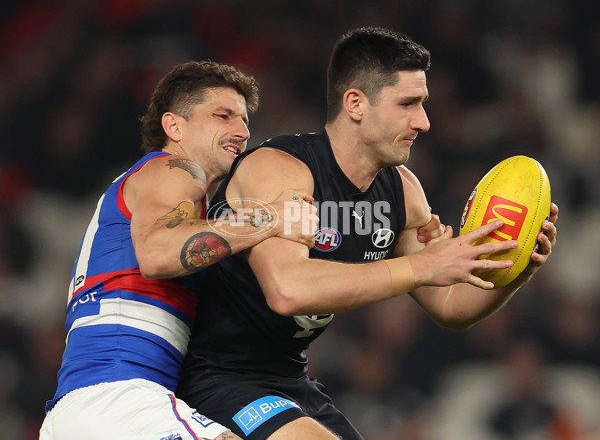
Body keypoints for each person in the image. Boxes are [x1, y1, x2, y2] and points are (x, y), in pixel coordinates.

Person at [177, 27, 559, 440]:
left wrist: (516, 267)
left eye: (423, 105)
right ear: (356, 103)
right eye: (408, 104)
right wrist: (423, 264)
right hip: (212, 376)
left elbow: (450, 307)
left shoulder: (402, 191)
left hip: (288, 380)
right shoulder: (280, 169)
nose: (424, 122)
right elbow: (288, 290)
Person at [40, 61, 322, 440]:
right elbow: (157, 253)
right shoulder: (172, 170)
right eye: (223, 116)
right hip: (121, 398)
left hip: (84, 409)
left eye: (245, 120)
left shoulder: (174, 200)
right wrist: (274, 218)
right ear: (174, 126)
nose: (242, 131)